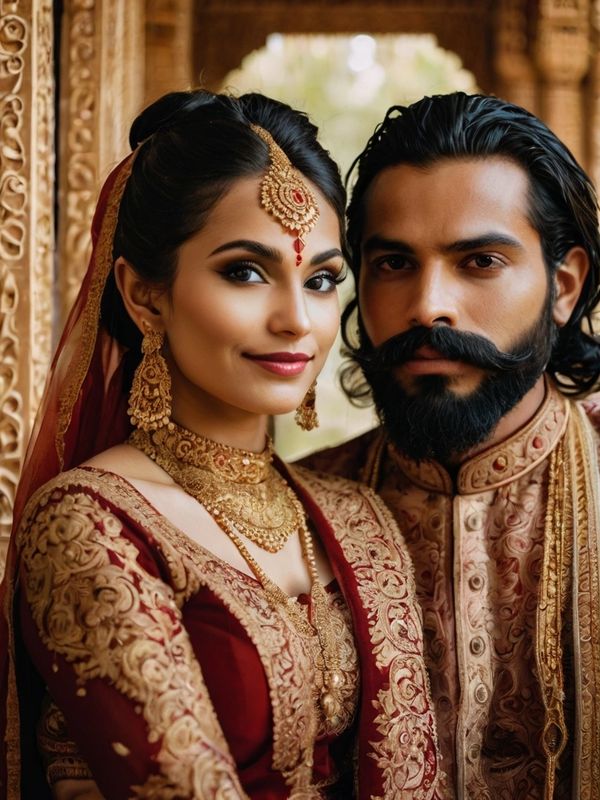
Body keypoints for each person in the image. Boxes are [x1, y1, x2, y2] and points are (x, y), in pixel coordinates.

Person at [0, 89, 444, 800]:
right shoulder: (89, 524)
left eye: (323, 279)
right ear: (145, 296)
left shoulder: (356, 517)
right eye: (245, 271)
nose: (297, 319)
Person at [303, 92, 600, 800]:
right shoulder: (295, 517)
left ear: (564, 286)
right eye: (395, 264)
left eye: (479, 262)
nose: (429, 305)